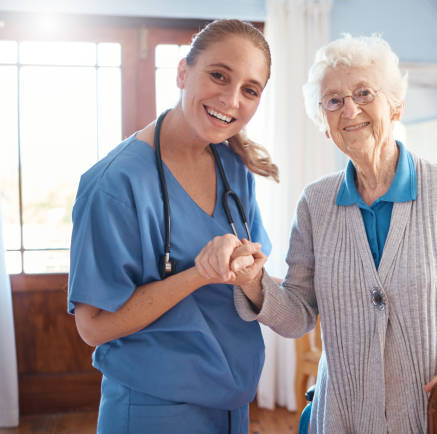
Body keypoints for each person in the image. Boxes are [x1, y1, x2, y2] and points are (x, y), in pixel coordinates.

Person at [201, 34, 437, 432]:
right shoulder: (315, 204)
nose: (350, 109)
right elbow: (298, 317)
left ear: (395, 105)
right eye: (334, 100)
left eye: (364, 93)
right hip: (345, 418)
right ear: (324, 123)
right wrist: (254, 282)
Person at [67, 19, 277, 434]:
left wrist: (248, 269)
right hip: (154, 408)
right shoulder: (114, 183)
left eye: (250, 90)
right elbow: (92, 326)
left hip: (232, 401)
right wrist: (198, 275)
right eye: (219, 75)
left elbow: (257, 278)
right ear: (183, 72)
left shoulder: (234, 169)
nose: (231, 99)